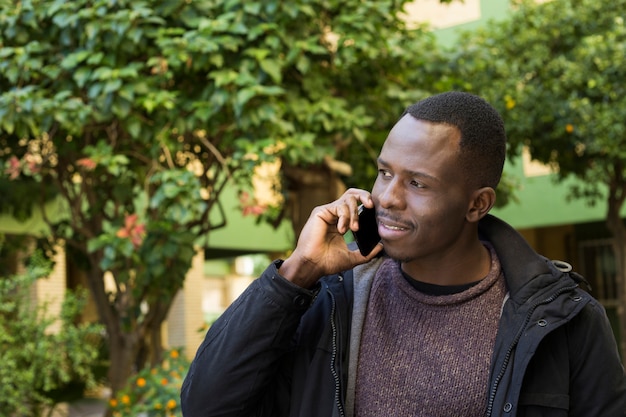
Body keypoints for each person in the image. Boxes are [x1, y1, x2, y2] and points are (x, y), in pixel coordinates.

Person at [180, 91, 626, 417]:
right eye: (383, 172)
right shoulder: (331, 300)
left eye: (417, 183)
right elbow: (206, 405)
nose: (388, 197)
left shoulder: (563, 319)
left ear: (478, 204)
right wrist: (297, 273)